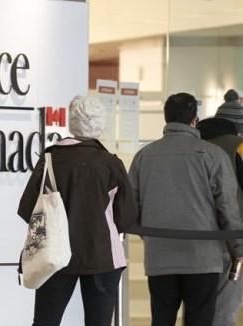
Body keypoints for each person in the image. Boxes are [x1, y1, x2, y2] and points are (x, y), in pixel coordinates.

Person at [18, 95, 138, 326]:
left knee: (45, 321)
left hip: (54, 254)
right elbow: (126, 217)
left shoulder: (50, 159)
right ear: (101, 125)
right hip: (103, 256)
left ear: (71, 123)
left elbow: (28, 210)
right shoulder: (111, 163)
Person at [128, 92, 243, 326]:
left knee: (162, 319)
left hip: (160, 257)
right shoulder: (212, 155)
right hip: (203, 257)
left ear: (166, 119)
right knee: (200, 320)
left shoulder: (144, 156)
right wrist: (237, 249)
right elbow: (227, 208)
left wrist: (151, 236)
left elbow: (132, 207)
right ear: (194, 120)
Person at [197, 117, 243, 326]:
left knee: (198, 305)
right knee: (225, 304)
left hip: (192, 238)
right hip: (232, 238)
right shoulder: (238, 147)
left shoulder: (193, 148)